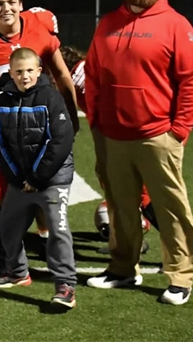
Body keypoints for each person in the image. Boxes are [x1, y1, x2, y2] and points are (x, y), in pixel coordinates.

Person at [85, 0, 193, 306]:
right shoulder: (107, 24)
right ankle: (123, 268)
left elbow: (188, 81)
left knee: (169, 208)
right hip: (112, 134)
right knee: (121, 207)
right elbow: (94, 75)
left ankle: (181, 275)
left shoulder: (175, 24)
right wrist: (97, 120)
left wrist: (179, 129)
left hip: (157, 133)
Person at [0, 0, 78, 262]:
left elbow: (62, 76)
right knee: (11, 189)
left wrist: (71, 119)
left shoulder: (41, 28)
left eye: (11, 2)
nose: (6, 8)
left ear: (21, 5)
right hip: (9, 130)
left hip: (43, 125)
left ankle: (46, 241)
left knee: (46, 185)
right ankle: (10, 250)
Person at [0, 47, 77, 310]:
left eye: (29, 70)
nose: (24, 76)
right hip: (21, 180)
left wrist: (37, 178)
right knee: (7, 224)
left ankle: (65, 285)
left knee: (57, 230)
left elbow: (60, 141)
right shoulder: (3, 101)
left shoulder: (51, 97)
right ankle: (18, 273)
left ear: (39, 71)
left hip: (52, 179)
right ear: (10, 72)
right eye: (18, 71)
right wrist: (16, 177)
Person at [60, 45, 157, 250]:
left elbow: (109, 111)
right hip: (128, 136)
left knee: (141, 195)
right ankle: (130, 241)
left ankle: (179, 246)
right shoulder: (83, 73)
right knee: (124, 190)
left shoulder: (81, 79)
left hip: (126, 138)